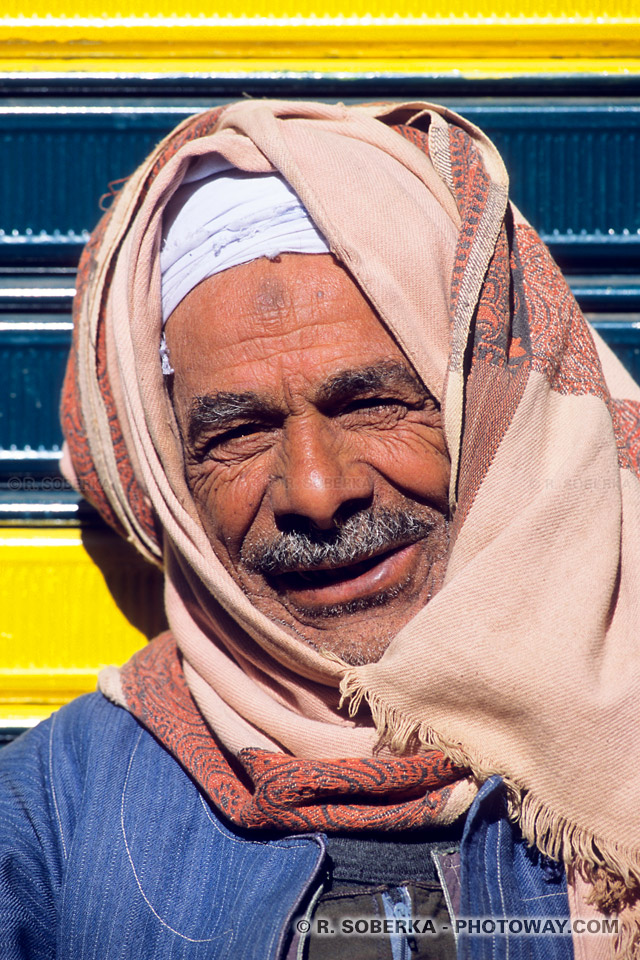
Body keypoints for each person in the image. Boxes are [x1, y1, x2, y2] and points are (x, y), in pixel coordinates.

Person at [1, 99, 639, 960]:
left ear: (492, 415)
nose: (314, 489)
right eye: (236, 434)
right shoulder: (54, 819)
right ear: (164, 477)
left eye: (373, 403)